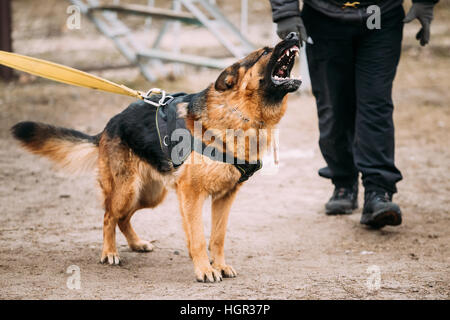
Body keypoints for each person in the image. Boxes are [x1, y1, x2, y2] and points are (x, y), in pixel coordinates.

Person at [270, 0, 438, 228]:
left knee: (375, 102)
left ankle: (378, 191)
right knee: (334, 103)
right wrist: (286, 13)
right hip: (324, 17)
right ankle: (343, 181)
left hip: (378, 14)